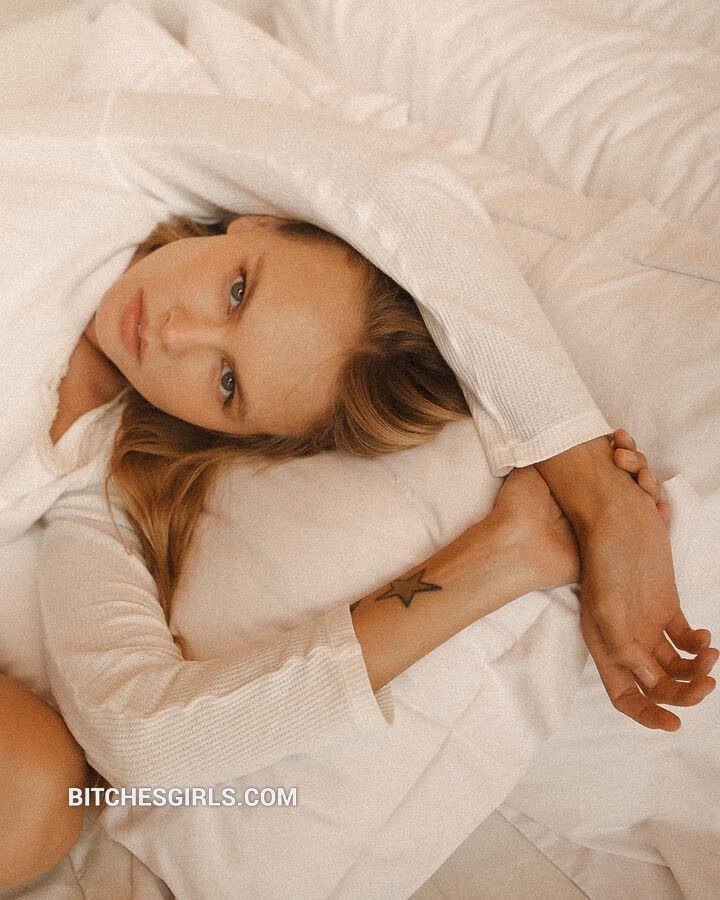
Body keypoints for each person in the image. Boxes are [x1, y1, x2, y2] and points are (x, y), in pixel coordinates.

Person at [1, 213, 715, 890]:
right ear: (259, 222)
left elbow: (140, 737)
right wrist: (595, 486)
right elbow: (405, 192)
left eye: (227, 383)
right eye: (238, 290)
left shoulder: (97, 486)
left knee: (36, 793)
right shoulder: (125, 178)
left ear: (240, 438)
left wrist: (497, 561)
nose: (175, 333)